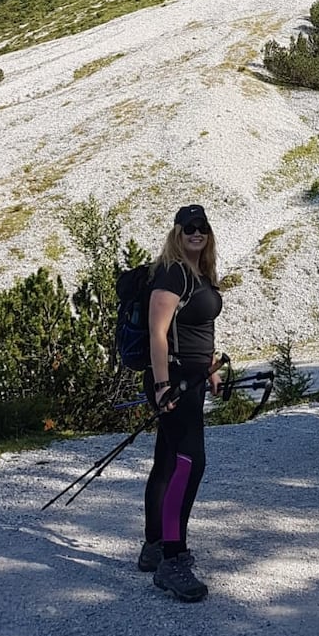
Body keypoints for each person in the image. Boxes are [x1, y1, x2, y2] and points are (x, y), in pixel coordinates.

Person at [138, 203, 223, 602]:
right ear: (176, 232)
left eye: (201, 226)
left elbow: (196, 330)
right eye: (188, 226)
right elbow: (158, 333)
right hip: (172, 380)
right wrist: (160, 385)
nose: (196, 232)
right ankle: (174, 558)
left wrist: (209, 368)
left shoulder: (199, 274)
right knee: (191, 463)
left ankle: (154, 546)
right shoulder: (172, 271)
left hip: (190, 378)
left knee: (169, 462)